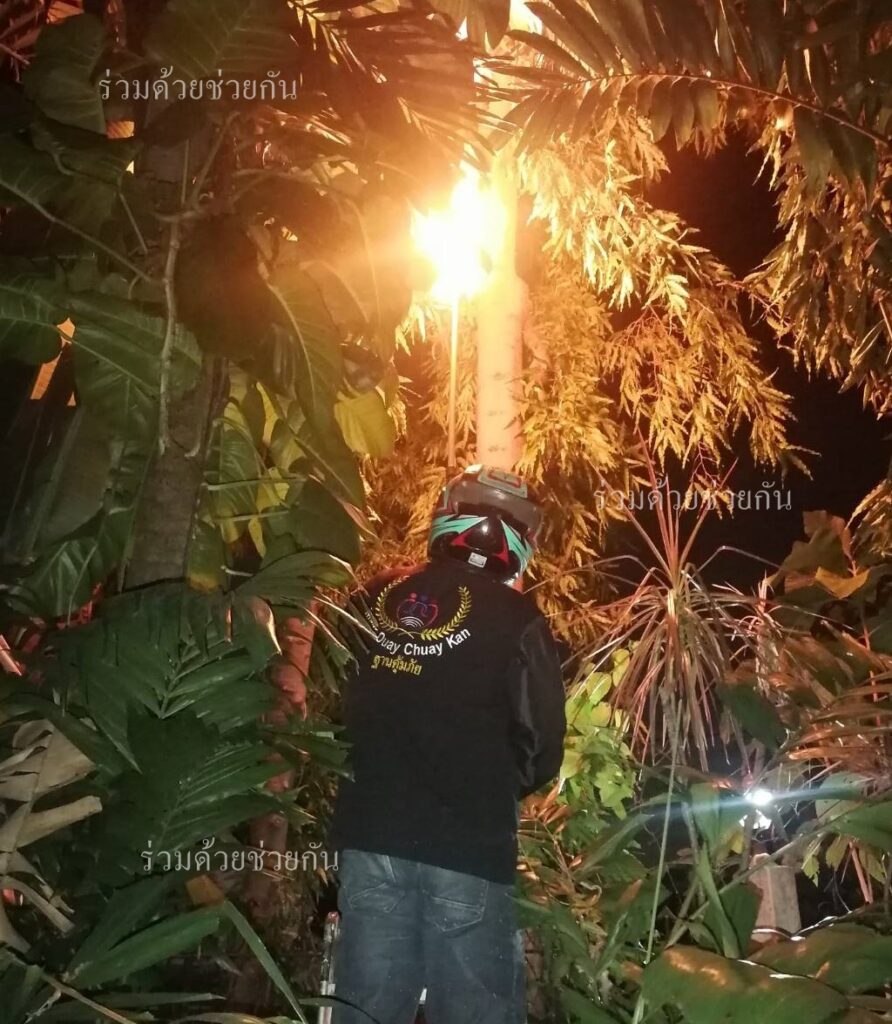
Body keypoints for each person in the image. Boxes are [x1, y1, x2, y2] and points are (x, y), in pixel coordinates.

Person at [329, 465, 567, 1024]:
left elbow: (333, 704)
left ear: (449, 512)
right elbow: (542, 744)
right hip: (468, 845)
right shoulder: (519, 617)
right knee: (475, 1011)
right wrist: (489, 785)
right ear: (522, 538)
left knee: (366, 1008)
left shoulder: (371, 596)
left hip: (371, 834)